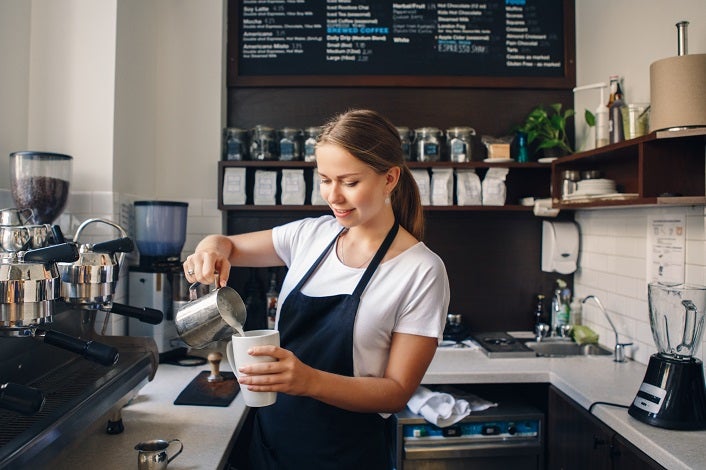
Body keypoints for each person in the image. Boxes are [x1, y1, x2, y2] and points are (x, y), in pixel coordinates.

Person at [183, 109, 450, 469]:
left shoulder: (421, 270)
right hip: (271, 444)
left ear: (390, 179)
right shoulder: (310, 235)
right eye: (325, 179)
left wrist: (308, 380)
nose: (333, 196)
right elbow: (226, 244)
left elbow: (397, 391)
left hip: (346, 454)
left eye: (349, 182)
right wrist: (210, 249)